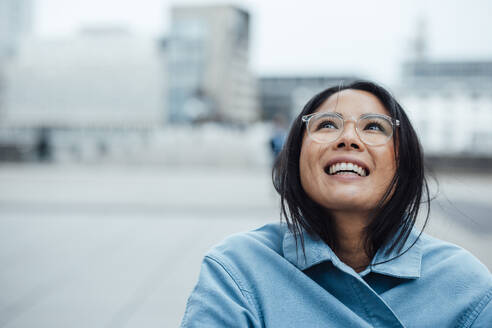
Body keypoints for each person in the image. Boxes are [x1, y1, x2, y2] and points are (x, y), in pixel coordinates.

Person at [180, 81, 492, 327]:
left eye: (373, 126)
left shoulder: (466, 284)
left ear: (403, 162)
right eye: (327, 124)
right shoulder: (238, 268)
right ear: (296, 157)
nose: (348, 138)